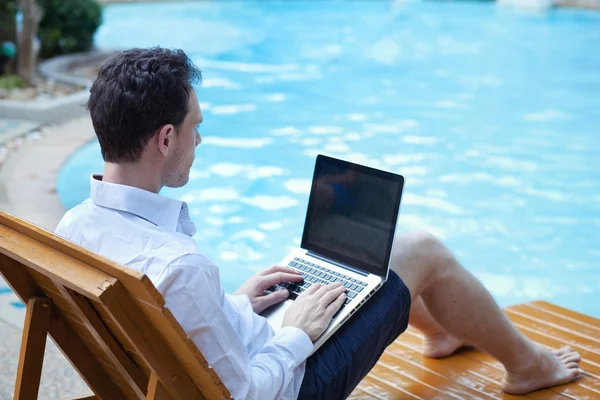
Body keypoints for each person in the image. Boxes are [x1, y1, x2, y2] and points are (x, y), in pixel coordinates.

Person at [55, 47, 581, 400]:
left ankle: (441, 331)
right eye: (196, 127)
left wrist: (233, 307)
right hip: (292, 383)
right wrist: (298, 334)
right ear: (166, 139)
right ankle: (530, 366)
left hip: (202, 366)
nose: (199, 140)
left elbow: (176, 332)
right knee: (418, 247)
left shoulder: (74, 231)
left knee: (328, 271)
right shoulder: (180, 267)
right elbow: (248, 395)